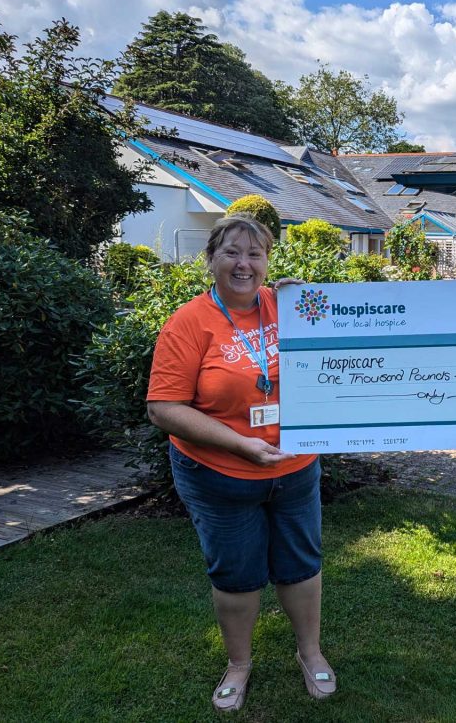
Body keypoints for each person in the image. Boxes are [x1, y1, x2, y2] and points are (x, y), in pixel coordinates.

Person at [147, 214, 336, 712]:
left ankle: (310, 652)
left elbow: (342, 342)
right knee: (236, 572)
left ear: (267, 260)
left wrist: (313, 301)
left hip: (294, 470)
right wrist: (238, 443)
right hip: (219, 475)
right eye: (232, 252)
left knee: (301, 565)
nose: (243, 264)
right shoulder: (188, 322)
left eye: (254, 254)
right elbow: (162, 406)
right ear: (210, 259)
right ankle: (239, 663)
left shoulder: (287, 305)